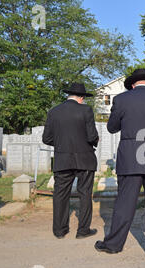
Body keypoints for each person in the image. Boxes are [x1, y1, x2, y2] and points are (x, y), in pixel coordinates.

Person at [94, 69, 145, 255]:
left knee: (125, 201)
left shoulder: (121, 100)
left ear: (133, 84)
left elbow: (112, 128)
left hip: (130, 157)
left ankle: (113, 244)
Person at [43, 83, 99, 239]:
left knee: (60, 194)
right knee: (85, 193)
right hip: (85, 158)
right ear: (81, 98)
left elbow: (46, 138)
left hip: (62, 159)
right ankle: (83, 231)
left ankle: (59, 230)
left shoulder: (54, 112)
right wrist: (96, 140)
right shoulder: (86, 110)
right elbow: (91, 136)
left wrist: (63, 144)